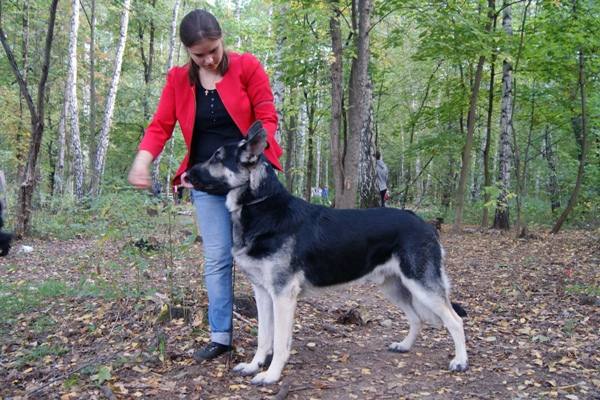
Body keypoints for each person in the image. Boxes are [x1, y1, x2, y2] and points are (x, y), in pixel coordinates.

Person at [128, 9, 282, 361]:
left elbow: (266, 116)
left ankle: (274, 342)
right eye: (200, 55)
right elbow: (160, 126)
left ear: (221, 39)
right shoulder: (178, 80)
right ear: (188, 51)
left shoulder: (247, 66)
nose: (209, 59)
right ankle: (220, 337)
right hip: (208, 183)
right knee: (217, 258)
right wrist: (142, 160)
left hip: (253, 182)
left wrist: (256, 152)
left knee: (269, 257)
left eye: (213, 50)